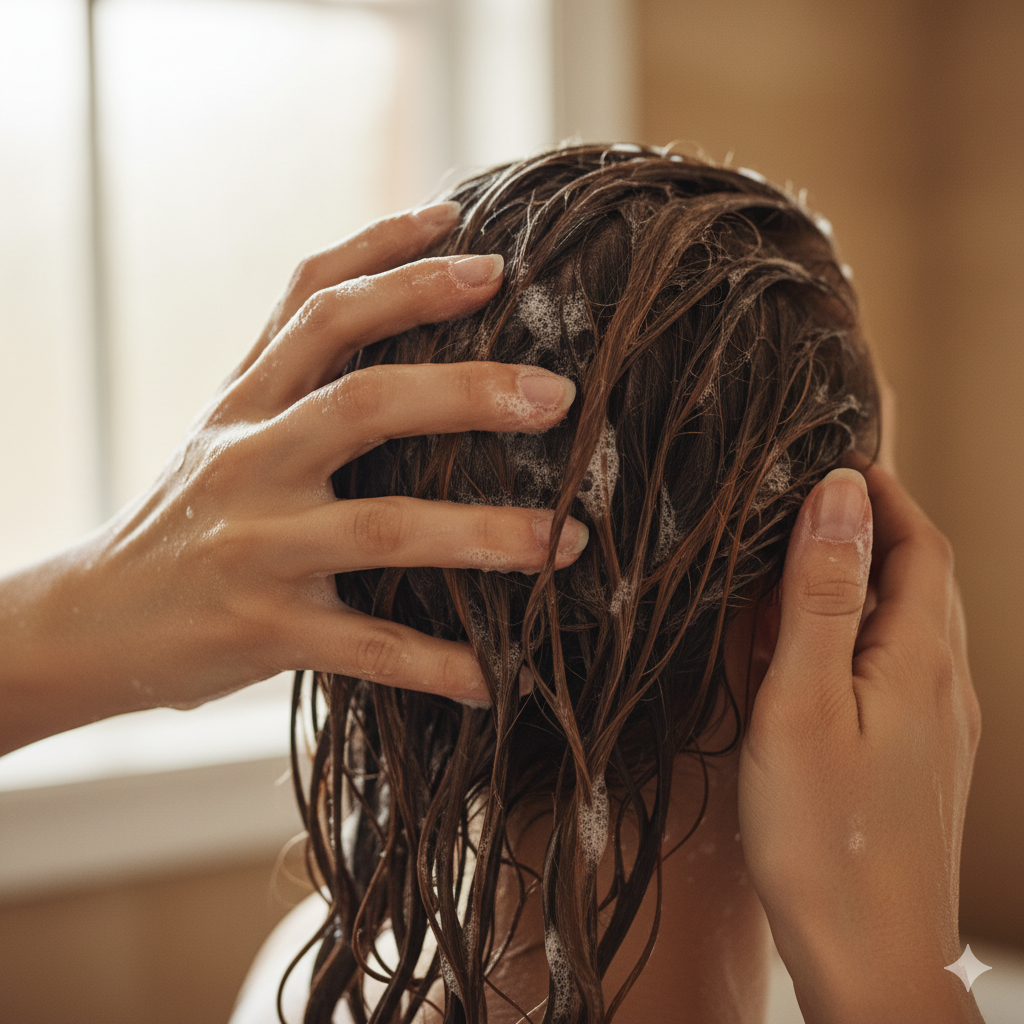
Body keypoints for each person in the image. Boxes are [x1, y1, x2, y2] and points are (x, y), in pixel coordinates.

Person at [0, 144, 981, 1024]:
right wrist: (898, 972)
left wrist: (68, 617)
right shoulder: (894, 991)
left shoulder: (304, 986)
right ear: (820, 605)